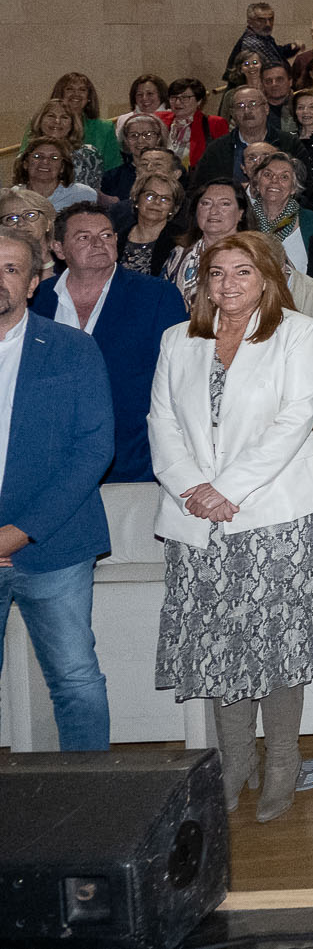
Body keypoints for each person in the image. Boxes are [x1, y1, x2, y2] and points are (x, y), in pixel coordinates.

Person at [148, 231, 313, 823]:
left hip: (276, 515)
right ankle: (235, 761)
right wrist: (193, 489)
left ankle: (282, 760)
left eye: (242, 272)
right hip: (197, 519)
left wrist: (227, 490)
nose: (228, 284)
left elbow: (294, 420)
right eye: (217, 272)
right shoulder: (176, 341)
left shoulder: (296, 332)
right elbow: (161, 422)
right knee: (218, 645)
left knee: (279, 643)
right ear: (203, 280)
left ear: (266, 278)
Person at [0, 225, 116, 751]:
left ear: (33, 283)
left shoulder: (72, 350)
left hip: (55, 545)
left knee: (75, 681)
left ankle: (92, 809)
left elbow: (94, 449)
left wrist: (20, 532)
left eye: (11, 269)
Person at [30, 203, 189, 483]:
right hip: (49, 463)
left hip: (133, 461)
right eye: (83, 237)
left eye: (106, 235)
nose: (98, 243)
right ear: (58, 248)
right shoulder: (37, 300)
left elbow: (180, 380)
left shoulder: (157, 297)